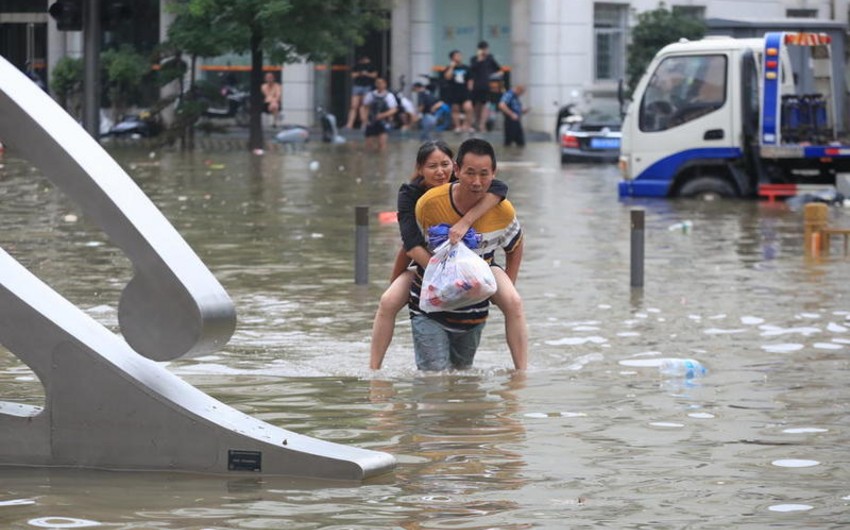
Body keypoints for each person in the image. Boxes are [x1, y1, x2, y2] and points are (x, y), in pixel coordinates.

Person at [369, 140, 527, 371]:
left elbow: (499, 189)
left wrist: (466, 221)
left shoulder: (477, 187)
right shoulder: (415, 198)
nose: (440, 172)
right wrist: (443, 272)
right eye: (432, 166)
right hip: (428, 263)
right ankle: (374, 370)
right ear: (420, 169)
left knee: (513, 301)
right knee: (388, 301)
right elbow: (409, 245)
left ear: (453, 168)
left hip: (480, 262)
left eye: (444, 165)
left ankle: (521, 372)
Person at [468, 41, 502, 132]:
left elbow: (499, 70)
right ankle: (476, 122)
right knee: (477, 105)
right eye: (482, 49)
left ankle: (482, 124)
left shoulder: (490, 59)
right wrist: (479, 59)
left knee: (485, 104)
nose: (484, 51)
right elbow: (471, 69)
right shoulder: (474, 59)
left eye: (485, 49)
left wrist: (493, 77)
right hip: (476, 86)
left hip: (487, 86)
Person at [362, 77, 398, 150]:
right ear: (375, 84)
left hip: (384, 122)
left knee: (382, 145)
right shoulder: (370, 95)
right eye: (378, 83)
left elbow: (394, 109)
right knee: (368, 146)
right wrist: (364, 119)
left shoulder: (389, 96)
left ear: (385, 84)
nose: (379, 85)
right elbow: (365, 107)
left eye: (381, 83)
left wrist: (383, 115)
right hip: (371, 121)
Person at [443, 50, 474, 132]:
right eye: (456, 56)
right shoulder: (449, 68)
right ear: (452, 58)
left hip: (464, 91)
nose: (459, 57)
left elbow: (470, 80)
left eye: (459, 55)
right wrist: (451, 67)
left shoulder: (466, 68)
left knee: (469, 108)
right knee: (455, 109)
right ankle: (457, 126)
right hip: (454, 91)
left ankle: (467, 125)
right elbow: (447, 77)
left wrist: (470, 91)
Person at [345, 56, 378, 129]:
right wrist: (360, 73)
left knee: (364, 105)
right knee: (354, 106)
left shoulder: (371, 66)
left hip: (367, 86)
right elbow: (353, 75)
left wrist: (366, 74)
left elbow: (375, 75)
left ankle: (364, 123)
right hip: (357, 86)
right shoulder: (357, 66)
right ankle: (350, 124)